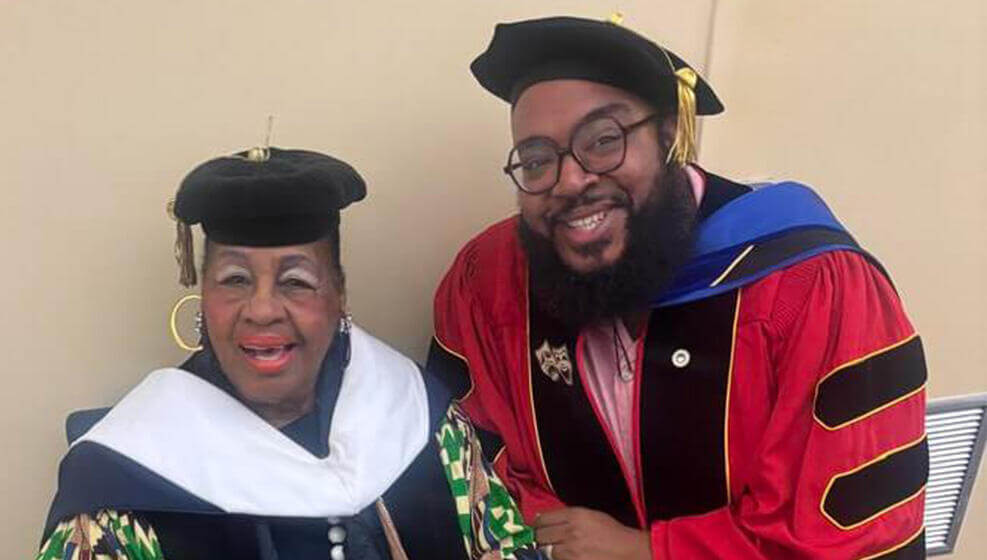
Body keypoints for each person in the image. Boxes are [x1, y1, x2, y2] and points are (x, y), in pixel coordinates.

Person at [427, 15, 928, 560]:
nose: (570, 181)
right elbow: (473, 460)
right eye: (538, 160)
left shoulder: (810, 284)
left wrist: (648, 552)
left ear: (670, 136)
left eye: (603, 141)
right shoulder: (488, 280)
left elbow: (849, 533)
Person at [36, 146, 544, 559]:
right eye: (233, 279)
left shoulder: (416, 418)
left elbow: (505, 550)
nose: (261, 309)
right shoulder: (121, 480)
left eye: (296, 281)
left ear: (338, 294)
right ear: (203, 296)